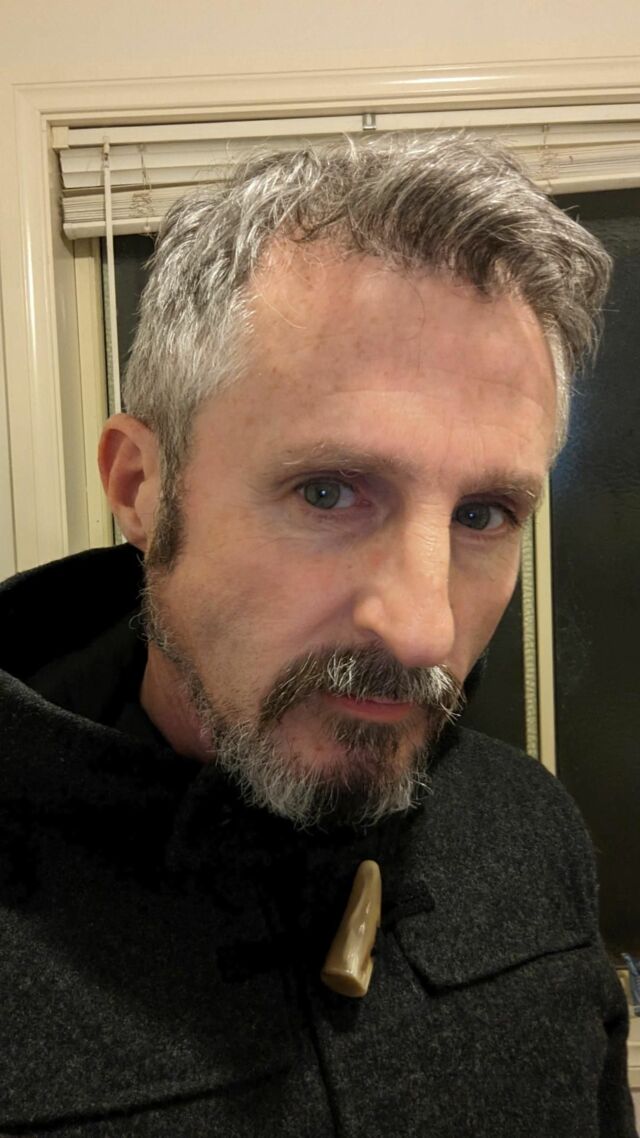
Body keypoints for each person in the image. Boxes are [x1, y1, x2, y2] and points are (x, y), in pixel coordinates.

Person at [0, 134, 636, 1137]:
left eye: (483, 515)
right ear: (141, 487)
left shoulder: (531, 832)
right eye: (329, 492)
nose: (423, 631)